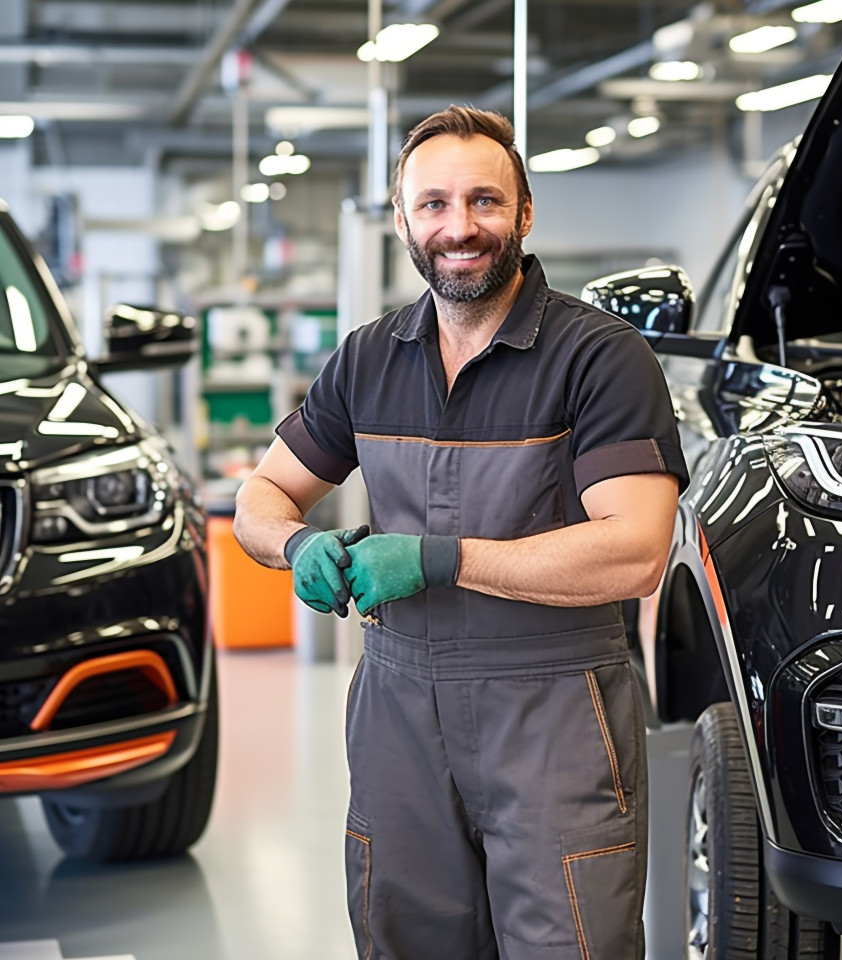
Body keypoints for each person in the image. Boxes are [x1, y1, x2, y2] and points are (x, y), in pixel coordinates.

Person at [234, 105, 688, 960]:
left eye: (484, 201)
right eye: (434, 204)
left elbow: (636, 550)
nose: (460, 227)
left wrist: (443, 560)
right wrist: (296, 545)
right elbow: (262, 494)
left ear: (523, 214)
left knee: (571, 941)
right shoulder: (367, 359)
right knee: (405, 938)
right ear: (404, 220)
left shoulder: (600, 357)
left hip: (554, 711)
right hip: (398, 710)